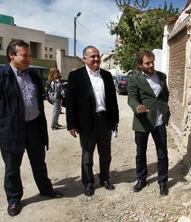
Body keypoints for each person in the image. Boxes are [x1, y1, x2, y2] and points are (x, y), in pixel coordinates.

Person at [0, 40, 63, 217]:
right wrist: (3, 121)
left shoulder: (32, 76)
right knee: (12, 167)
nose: (28, 59)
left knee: (39, 162)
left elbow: (39, 99)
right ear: (12, 55)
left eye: (29, 55)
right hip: (12, 130)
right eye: (24, 55)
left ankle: (46, 189)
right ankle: (14, 199)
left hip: (34, 127)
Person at [66, 46, 119, 197]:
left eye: (97, 56)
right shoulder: (75, 76)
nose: (96, 59)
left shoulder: (107, 75)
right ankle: (88, 183)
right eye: (92, 57)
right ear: (84, 59)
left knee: (106, 154)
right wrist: (71, 124)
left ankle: (105, 178)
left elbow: (113, 100)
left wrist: (115, 120)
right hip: (86, 122)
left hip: (105, 120)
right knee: (87, 155)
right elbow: (70, 102)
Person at [127, 51, 170, 196]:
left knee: (162, 153)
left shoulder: (162, 76)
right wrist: (137, 107)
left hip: (159, 121)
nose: (151, 65)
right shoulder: (134, 78)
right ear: (140, 65)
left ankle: (163, 182)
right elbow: (131, 98)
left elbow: (165, 94)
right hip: (143, 121)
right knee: (140, 153)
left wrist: (165, 108)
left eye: (152, 61)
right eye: (147, 63)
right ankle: (141, 179)